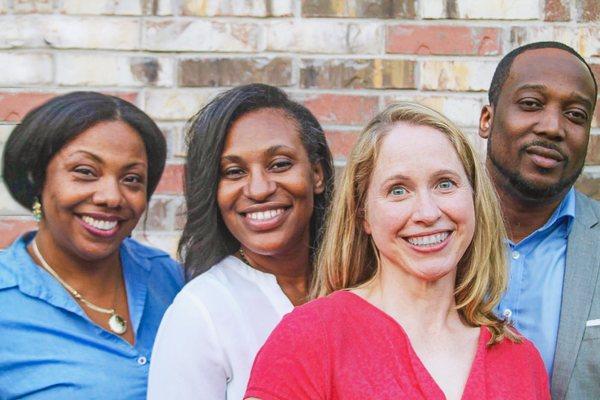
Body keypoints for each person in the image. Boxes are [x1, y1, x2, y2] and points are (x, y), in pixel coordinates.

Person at [245, 102, 550, 400]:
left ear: (473, 198)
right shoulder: (310, 339)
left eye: (445, 184)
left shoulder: (520, 358)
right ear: (363, 213)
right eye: (398, 190)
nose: (428, 213)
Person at [147, 83, 334, 399]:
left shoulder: (363, 282)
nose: (259, 189)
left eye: (279, 164)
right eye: (233, 172)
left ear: (316, 174)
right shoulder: (201, 312)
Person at [0, 92, 184, 399]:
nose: (112, 196)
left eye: (132, 179)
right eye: (85, 172)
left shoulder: (169, 278)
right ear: (37, 178)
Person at [477, 41, 599, 399]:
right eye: (531, 104)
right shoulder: (428, 231)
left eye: (576, 114)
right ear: (487, 119)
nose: (552, 128)